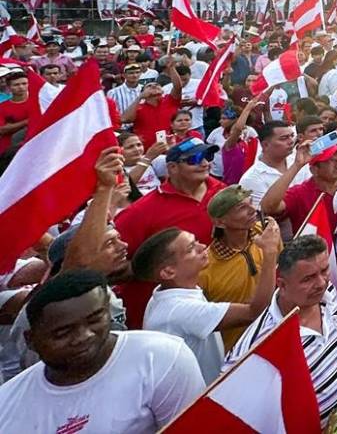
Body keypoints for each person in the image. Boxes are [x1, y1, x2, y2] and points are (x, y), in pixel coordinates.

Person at [0, 270, 205, 433]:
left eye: (95, 320)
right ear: (31, 340)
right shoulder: (6, 405)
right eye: (63, 332)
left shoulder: (162, 358)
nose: (84, 336)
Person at [225, 235, 337, 425]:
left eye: (324, 270)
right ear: (283, 285)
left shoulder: (328, 294)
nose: (321, 283)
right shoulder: (257, 345)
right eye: (308, 279)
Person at [135, 218, 281, 382]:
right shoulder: (180, 310)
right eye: (191, 248)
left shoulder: (165, 294)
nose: (202, 246)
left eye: (196, 241)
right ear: (168, 272)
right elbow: (254, 311)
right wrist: (270, 253)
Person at [113, 136, 225, 329]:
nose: (205, 163)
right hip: (162, 319)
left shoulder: (223, 192)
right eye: (194, 159)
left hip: (216, 305)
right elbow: (112, 268)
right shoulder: (141, 212)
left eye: (208, 155)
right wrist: (162, 268)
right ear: (172, 168)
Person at [197, 185, 269, 350]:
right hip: (236, 351)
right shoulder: (205, 268)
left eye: (250, 202)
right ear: (220, 222)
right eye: (241, 208)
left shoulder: (265, 233)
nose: (252, 209)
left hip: (272, 335)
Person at [237, 120, 311, 208]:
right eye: (284, 138)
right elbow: (264, 213)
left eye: (292, 136)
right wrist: (296, 166)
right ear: (265, 145)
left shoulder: (299, 160)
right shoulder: (252, 178)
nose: (291, 141)